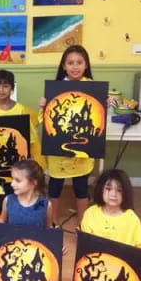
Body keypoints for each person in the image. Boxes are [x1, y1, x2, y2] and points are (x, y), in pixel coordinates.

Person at [38, 45, 94, 224]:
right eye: (70, 63)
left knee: (81, 188)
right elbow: (44, 121)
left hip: (82, 150)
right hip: (58, 150)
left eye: (79, 62)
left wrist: (104, 103)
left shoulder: (92, 88)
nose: (75, 66)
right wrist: (43, 107)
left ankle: (83, 223)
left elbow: (96, 118)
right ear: (64, 65)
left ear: (86, 65)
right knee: (54, 187)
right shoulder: (57, 88)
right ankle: (51, 222)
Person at [0, 69, 45, 193]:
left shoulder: (20, 109)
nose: (1, 90)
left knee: (14, 188)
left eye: (5, 86)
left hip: (15, 158)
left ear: (12, 87)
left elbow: (28, 136)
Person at [0, 160, 53, 246]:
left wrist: (57, 244)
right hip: (12, 250)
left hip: (35, 250)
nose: (12, 184)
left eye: (18, 180)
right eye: (12, 179)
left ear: (33, 182)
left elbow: (49, 228)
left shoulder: (46, 205)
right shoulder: (8, 200)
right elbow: (2, 219)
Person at [80, 169, 141, 249]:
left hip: (122, 260)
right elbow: (85, 245)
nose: (113, 194)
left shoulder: (132, 219)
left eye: (119, 190)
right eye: (108, 189)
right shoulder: (90, 214)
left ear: (126, 192)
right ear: (101, 189)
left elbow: (140, 248)